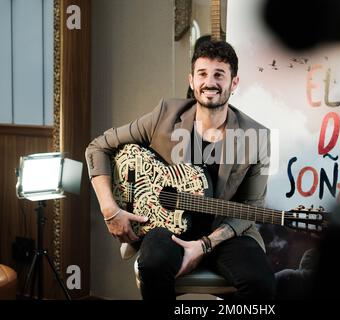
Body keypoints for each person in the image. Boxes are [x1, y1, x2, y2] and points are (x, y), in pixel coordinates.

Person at [85, 40, 276, 300]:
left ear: (234, 82)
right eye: (202, 74)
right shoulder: (165, 114)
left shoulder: (257, 136)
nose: (210, 82)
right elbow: (98, 148)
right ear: (192, 79)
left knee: (261, 283)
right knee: (152, 264)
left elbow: (252, 207)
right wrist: (110, 211)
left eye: (219, 74)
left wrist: (204, 245)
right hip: (167, 227)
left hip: (225, 232)